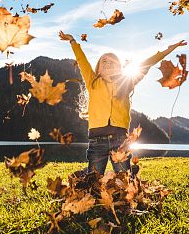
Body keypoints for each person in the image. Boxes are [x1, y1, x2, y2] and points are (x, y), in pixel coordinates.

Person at [59, 30, 187, 175]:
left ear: (120, 68)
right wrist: (72, 41)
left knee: (123, 179)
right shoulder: (92, 82)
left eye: (112, 62)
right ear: (98, 69)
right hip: (96, 141)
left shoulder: (126, 83)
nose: (107, 64)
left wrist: (168, 50)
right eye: (104, 61)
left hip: (120, 140)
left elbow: (146, 64)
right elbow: (82, 60)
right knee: (93, 178)